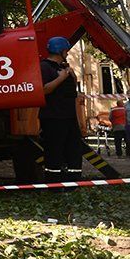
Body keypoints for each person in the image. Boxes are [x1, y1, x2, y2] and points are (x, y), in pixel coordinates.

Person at [39, 36, 83, 185]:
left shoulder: (63, 68)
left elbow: (71, 92)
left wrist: (72, 77)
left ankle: (73, 183)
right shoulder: (44, 67)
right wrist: (61, 78)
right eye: (66, 50)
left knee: (74, 149)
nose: (68, 53)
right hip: (53, 118)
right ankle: (54, 184)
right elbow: (44, 90)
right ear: (60, 50)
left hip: (69, 117)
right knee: (54, 151)